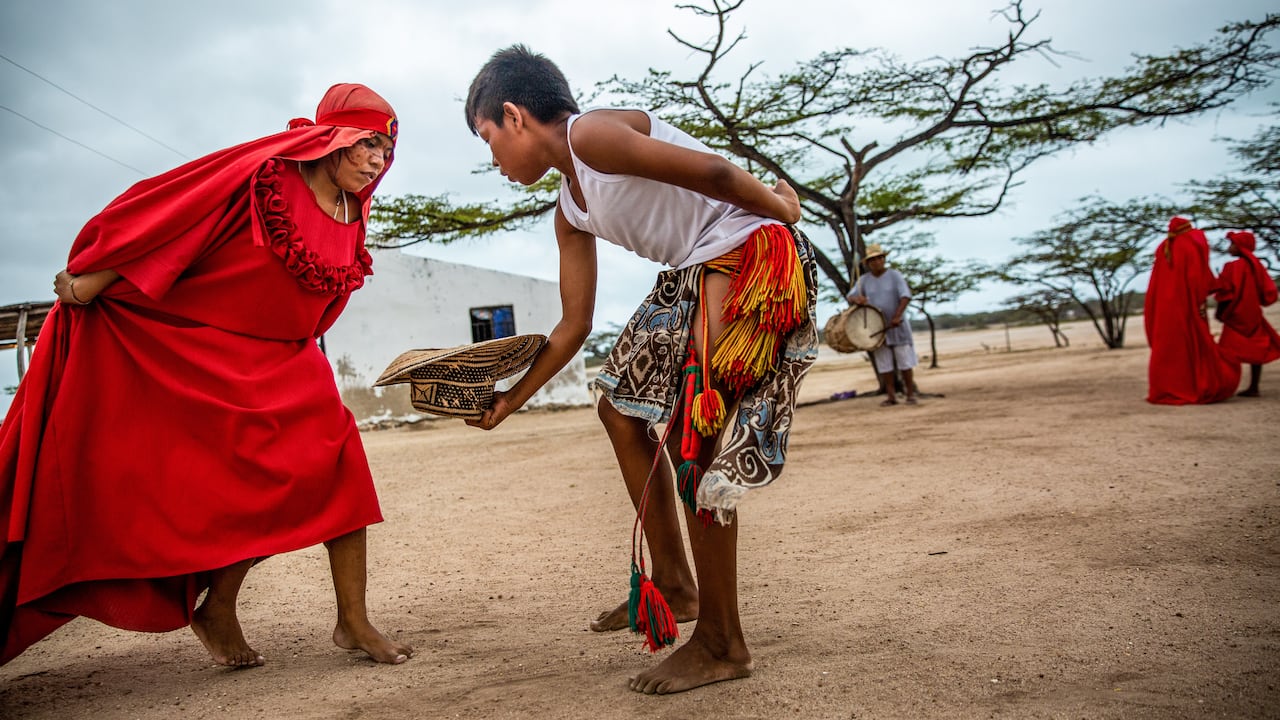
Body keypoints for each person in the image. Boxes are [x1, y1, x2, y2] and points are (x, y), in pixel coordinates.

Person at [0, 84, 413, 667]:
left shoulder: (354, 211)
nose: (377, 160)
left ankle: (353, 621)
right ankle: (218, 608)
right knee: (244, 493)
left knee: (340, 465)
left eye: (386, 151)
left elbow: (322, 301)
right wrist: (97, 281)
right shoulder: (268, 180)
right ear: (329, 140)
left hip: (289, 360)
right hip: (209, 357)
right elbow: (176, 227)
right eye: (367, 144)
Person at [462, 45, 817, 695]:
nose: (494, 160)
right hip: (691, 270)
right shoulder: (570, 209)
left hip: (747, 252)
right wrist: (511, 398)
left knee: (693, 440)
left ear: (514, 116)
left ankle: (721, 643)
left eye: (487, 139)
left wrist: (784, 208)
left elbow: (713, 174)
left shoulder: (592, 134)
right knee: (619, 409)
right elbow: (574, 325)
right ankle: (674, 587)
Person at [1143, 216, 1240, 405]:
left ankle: (1168, 388)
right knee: (1193, 342)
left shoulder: (1165, 247)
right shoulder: (1190, 244)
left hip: (1164, 308)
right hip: (1186, 306)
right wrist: (1200, 303)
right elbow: (1197, 278)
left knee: (1170, 348)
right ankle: (1194, 386)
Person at [846, 243, 919, 406]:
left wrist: (897, 316)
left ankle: (910, 394)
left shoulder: (895, 276)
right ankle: (891, 395)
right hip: (877, 329)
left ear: (883, 259)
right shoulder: (864, 280)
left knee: (905, 362)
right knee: (884, 364)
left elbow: (905, 296)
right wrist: (858, 299)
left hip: (897, 326)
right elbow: (851, 296)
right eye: (872, 260)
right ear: (868, 263)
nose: (876, 262)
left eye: (879, 258)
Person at [1214, 230, 1280, 397]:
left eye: (1233, 244)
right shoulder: (1256, 266)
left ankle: (1225, 385)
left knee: (1227, 351)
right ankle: (1254, 386)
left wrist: (1220, 312)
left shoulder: (1233, 267)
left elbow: (1226, 293)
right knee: (1256, 351)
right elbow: (1268, 293)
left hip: (1236, 316)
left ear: (1240, 247)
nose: (1230, 248)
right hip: (1253, 315)